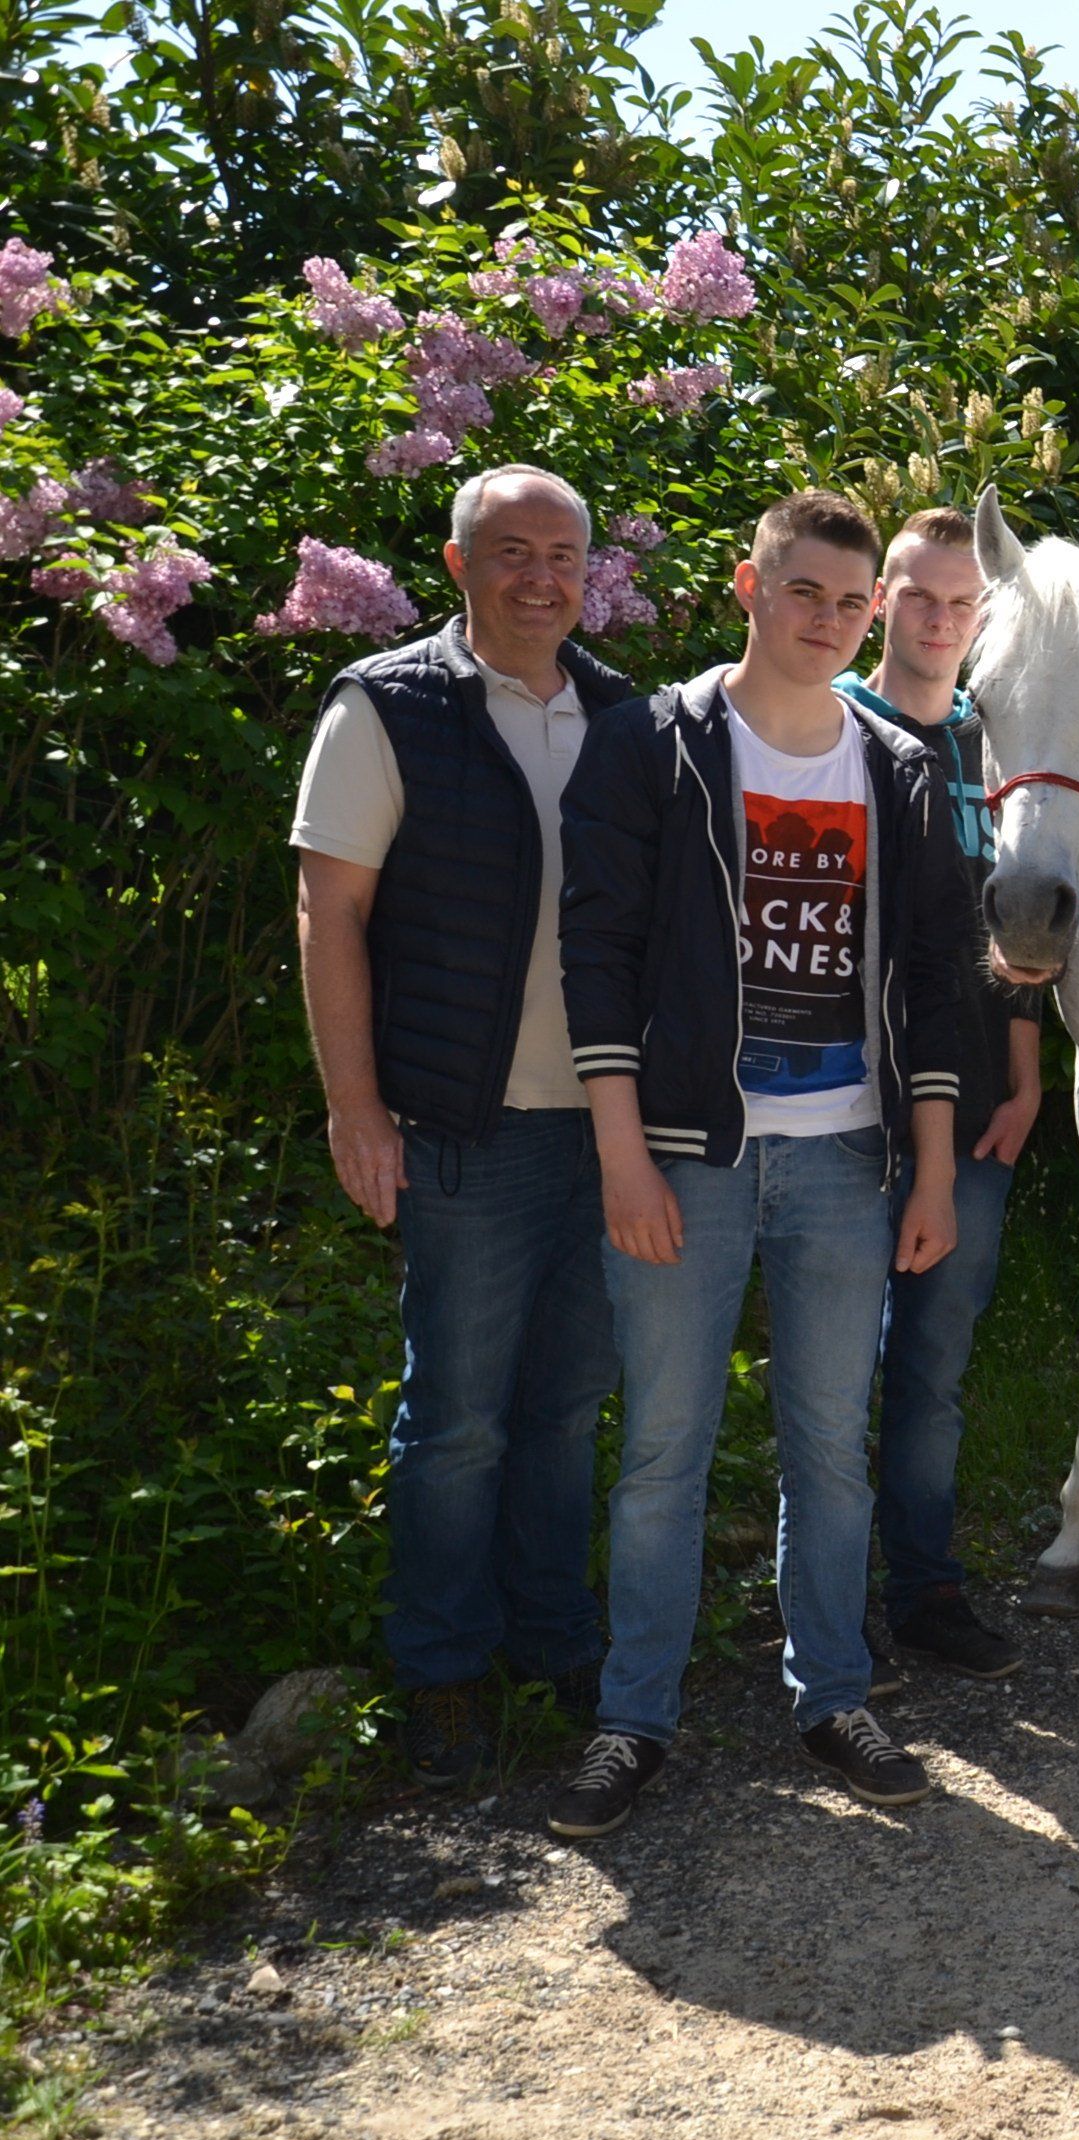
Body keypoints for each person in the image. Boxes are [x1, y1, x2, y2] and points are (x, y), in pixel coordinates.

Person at [546, 490, 977, 1838]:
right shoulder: (653, 744)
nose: (829, 622)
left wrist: (933, 1171)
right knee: (661, 1453)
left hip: (847, 1163)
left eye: (852, 603)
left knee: (831, 1453)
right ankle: (633, 1721)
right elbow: (594, 956)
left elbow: (937, 981)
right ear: (749, 584)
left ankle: (832, 1695)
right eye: (805, 592)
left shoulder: (898, 767)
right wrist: (623, 1154)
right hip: (687, 1159)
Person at [290, 464, 634, 1788]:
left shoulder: (624, 715)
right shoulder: (387, 707)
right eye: (511, 552)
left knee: (567, 1409)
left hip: (606, 1135)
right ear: (456, 564)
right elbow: (330, 914)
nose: (540, 578)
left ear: (588, 574)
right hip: (461, 1132)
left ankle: (555, 1641)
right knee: (457, 1423)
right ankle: (441, 1672)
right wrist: (355, 1107)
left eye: (563, 555)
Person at [833, 505, 1032, 1684]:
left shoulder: (994, 740)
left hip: (978, 1110)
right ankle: (823, 1604)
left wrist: (1028, 1076)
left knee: (933, 1367)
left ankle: (924, 1590)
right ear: (881, 600)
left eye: (964, 602)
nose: (941, 619)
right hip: (844, 1108)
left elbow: (1017, 920)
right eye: (920, 594)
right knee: (833, 1374)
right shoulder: (830, 722)